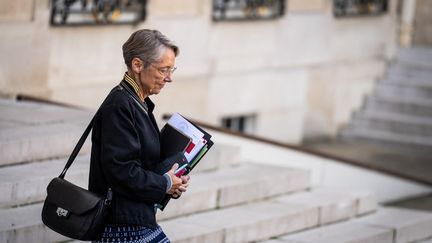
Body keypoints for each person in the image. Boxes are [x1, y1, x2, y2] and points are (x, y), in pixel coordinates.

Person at [88, 29, 190, 243]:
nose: (169, 78)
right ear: (137, 65)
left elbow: (145, 163)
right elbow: (121, 171)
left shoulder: (138, 103)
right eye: (163, 70)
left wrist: (172, 180)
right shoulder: (119, 105)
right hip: (121, 227)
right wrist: (163, 183)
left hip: (137, 219)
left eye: (172, 70)